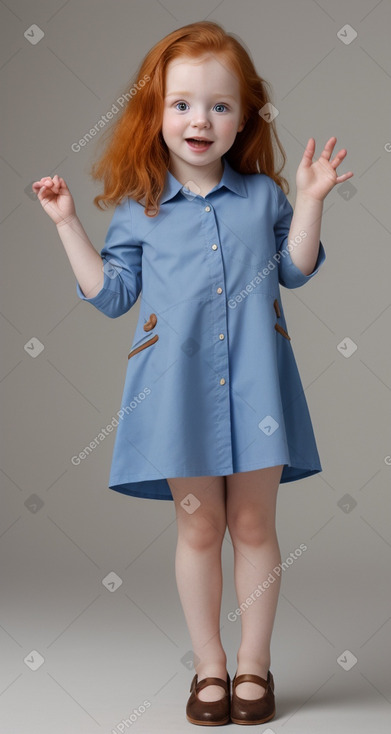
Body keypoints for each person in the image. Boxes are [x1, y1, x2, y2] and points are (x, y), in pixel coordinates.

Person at [32, 20, 353, 727]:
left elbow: (295, 270)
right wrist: (65, 224)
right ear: (155, 113)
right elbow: (112, 296)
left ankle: (253, 667)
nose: (198, 120)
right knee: (200, 528)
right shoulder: (138, 210)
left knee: (253, 523)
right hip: (173, 395)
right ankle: (209, 666)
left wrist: (311, 197)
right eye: (180, 104)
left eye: (217, 105)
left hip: (257, 389)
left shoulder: (264, 197)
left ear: (242, 117)